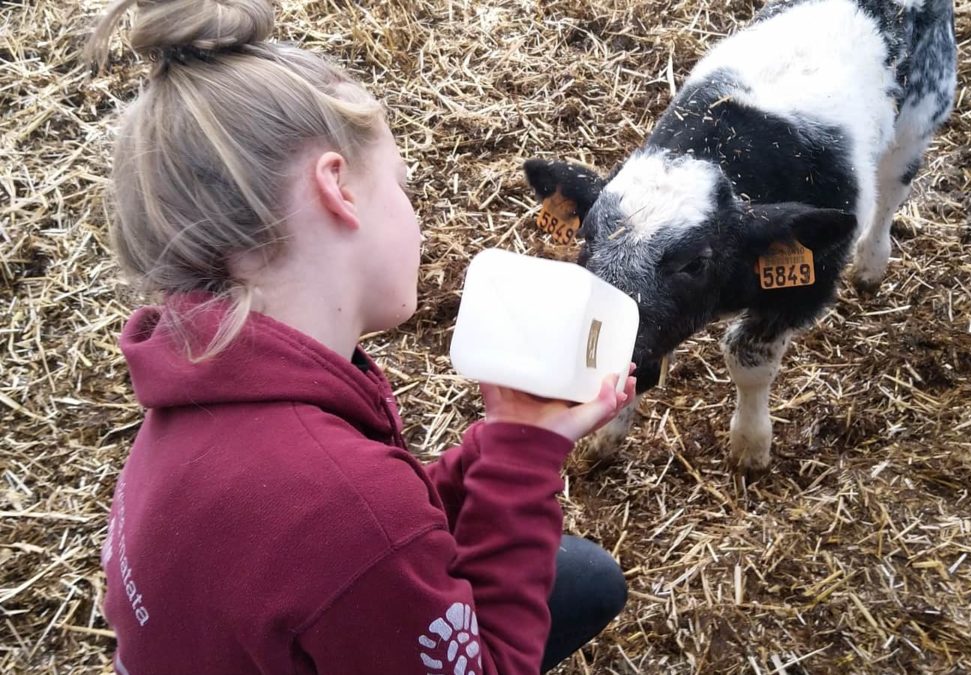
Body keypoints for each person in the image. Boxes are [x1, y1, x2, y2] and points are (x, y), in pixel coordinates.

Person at [85, 1, 636, 673]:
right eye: (403, 189)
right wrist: (524, 464)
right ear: (338, 188)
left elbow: (377, 542)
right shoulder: (340, 501)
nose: (418, 221)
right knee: (575, 578)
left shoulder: (202, 393)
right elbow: (368, 536)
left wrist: (508, 442)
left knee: (578, 576)